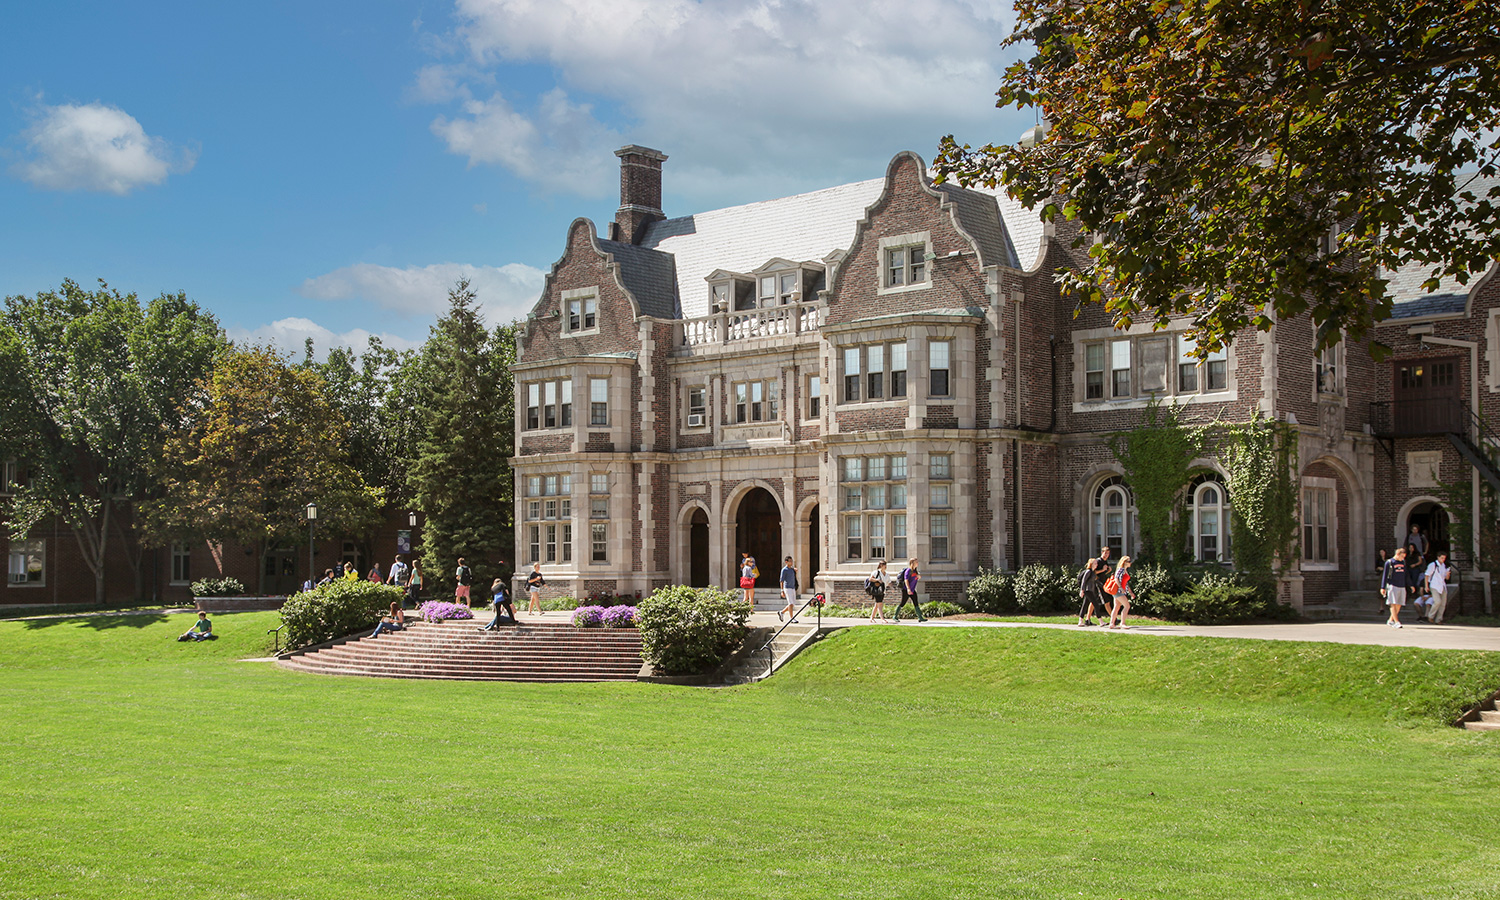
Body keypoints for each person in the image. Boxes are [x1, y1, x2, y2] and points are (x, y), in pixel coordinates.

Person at [1379, 546, 1408, 628]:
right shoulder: (1390, 562)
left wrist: (1410, 584)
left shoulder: (1403, 562)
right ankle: (1396, 621)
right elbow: (1385, 575)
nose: (1403, 558)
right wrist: (1383, 587)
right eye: (1402, 556)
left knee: (1399, 604)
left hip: (1401, 585)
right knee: (1393, 603)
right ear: (1398, 554)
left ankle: (1390, 620)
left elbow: (1406, 574)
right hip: (1392, 585)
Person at [1425, 552, 1455, 624]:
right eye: (1442, 558)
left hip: (1442, 586)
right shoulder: (1433, 565)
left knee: (1443, 604)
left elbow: (1446, 578)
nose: (1443, 560)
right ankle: (1430, 616)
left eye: (1444, 558)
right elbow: (1427, 575)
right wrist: (1426, 586)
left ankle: (1439, 619)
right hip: (1434, 585)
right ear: (1438, 557)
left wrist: (1447, 574)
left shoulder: (1443, 566)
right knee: (1437, 601)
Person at [893, 558, 926, 623]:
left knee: (916, 602)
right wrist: (908, 589)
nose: (917, 563)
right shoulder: (908, 571)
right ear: (912, 563)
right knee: (903, 603)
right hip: (906, 590)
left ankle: (920, 617)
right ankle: (895, 616)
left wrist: (918, 577)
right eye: (916, 562)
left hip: (912, 590)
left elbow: (914, 579)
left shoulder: (915, 571)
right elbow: (906, 580)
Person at [1107, 555, 1135, 629]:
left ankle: (1112, 623)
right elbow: (1116, 579)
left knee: (1116, 607)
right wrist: (1121, 588)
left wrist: (1130, 592)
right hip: (1118, 591)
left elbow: (1125, 582)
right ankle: (1122, 623)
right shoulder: (1121, 569)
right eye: (1129, 561)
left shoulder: (1124, 570)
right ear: (1124, 562)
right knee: (1127, 606)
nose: (1130, 563)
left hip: (1120, 591)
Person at [1078, 558, 1102, 627]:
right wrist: (1082, 591)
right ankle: (1101, 621)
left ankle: (1080, 621)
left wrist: (1103, 586)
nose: (1096, 564)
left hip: (1091, 590)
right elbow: (1083, 581)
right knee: (1096, 604)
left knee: (1085, 605)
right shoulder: (1088, 571)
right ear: (1091, 564)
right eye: (1095, 563)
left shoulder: (1093, 572)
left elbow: (1095, 581)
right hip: (1087, 590)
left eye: (1096, 563)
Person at [1406, 546, 1427, 622]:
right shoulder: (1408, 554)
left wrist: (1415, 565)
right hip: (1409, 569)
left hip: (1415, 569)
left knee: (1414, 581)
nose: (1411, 549)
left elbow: (1420, 561)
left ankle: (1414, 593)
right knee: (1409, 580)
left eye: (1412, 547)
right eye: (1410, 547)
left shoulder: (1417, 554)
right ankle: (1409, 593)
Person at [777, 556, 798, 622]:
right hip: (787, 588)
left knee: (792, 604)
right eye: (790, 561)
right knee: (790, 603)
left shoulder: (792, 570)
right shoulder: (784, 570)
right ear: (786, 562)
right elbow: (781, 580)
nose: (791, 562)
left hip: (792, 587)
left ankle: (782, 612)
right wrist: (782, 590)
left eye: (792, 561)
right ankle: (792, 618)